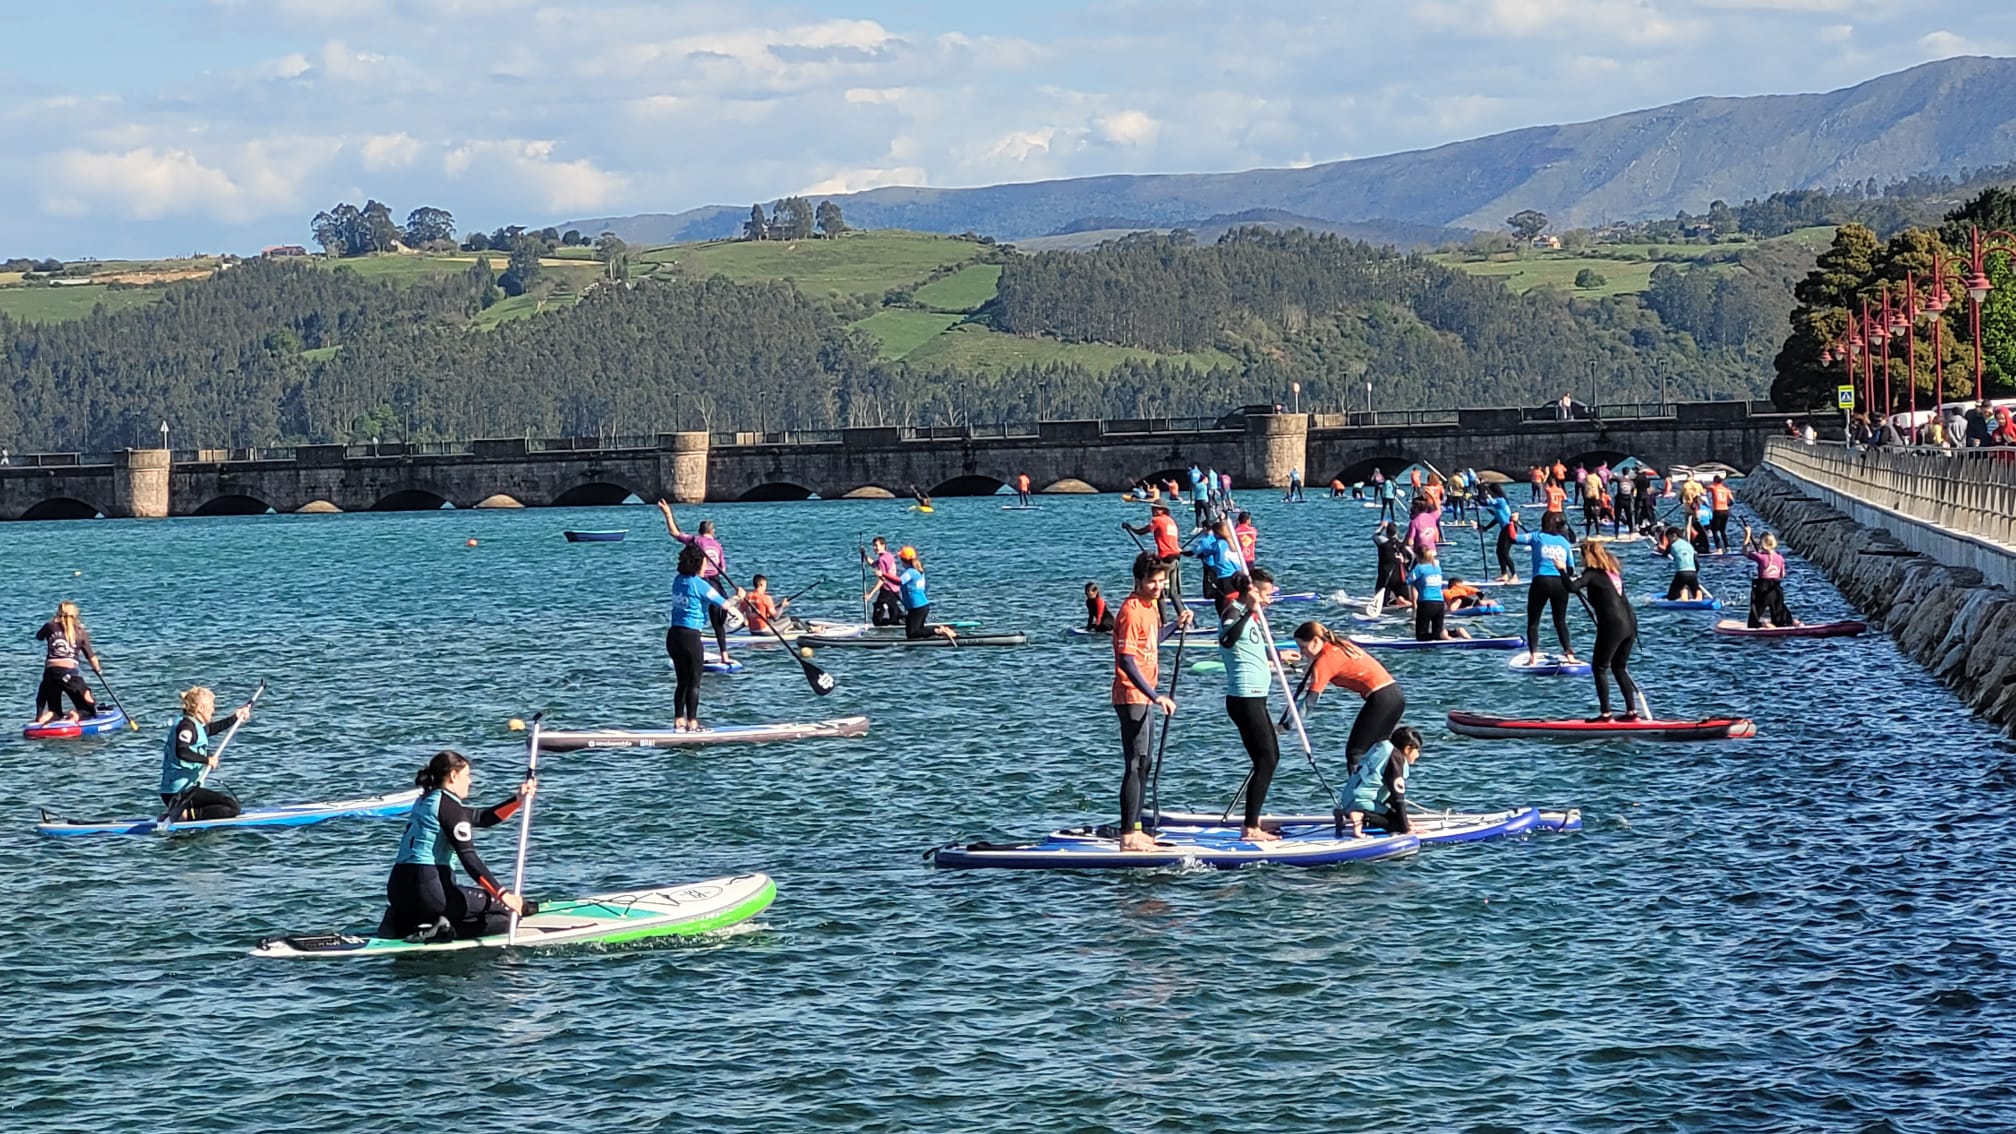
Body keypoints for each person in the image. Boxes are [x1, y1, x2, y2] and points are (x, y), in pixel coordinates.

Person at [377, 750, 537, 943]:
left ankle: (400, 921)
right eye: (467, 776)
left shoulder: (426, 802)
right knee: (509, 917)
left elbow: (482, 818)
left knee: (466, 904)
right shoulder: (449, 807)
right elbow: (469, 858)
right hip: (430, 894)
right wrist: (504, 896)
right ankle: (443, 932)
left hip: (398, 893)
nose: (470, 781)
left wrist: (517, 801)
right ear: (453, 776)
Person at [1111, 554, 1194, 851]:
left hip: (1145, 696)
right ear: (1138, 580)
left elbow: (1152, 641)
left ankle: (1136, 828)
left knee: (1144, 764)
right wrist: (1155, 696)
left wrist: (1176, 624)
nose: (1158, 587)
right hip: (1132, 696)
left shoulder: (1151, 608)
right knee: (1134, 764)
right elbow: (1127, 661)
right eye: (1152, 581)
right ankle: (1127, 835)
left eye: (1162, 582)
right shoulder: (1131, 611)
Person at [1219, 567, 1282, 844]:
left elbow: (1248, 652)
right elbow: (1227, 640)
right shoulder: (1234, 612)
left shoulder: (1253, 618)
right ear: (1252, 591)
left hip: (1257, 696)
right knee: (1266, 759)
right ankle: (1250, 827)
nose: (1269, 600)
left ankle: (1252, 821)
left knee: (1270, 758)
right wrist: (1250, 610)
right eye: (1266, 594)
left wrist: (1276, 659)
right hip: (1244, 698)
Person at [1290, 621, 1403, 773]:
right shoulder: (1340, 645)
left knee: (1355, 753)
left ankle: (1356, 794)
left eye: (1303, 647)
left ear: (1316, 641)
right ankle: (1389, 791)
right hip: (1395, 696)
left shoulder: (1326, 660)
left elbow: (1309, 703)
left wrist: (1285, 726)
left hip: (1381, 699)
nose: (1302, 652)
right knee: (1379, 749)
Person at [669, 543, 744, 731]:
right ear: (696, 564)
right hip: (690, 637)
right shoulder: (699, 584)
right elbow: (725, 605)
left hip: (673, 636)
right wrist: (739, 597)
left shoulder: (678, 580)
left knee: (682, 682)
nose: (705, 567)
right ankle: (693, 723)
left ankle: (679, 720)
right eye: (703, 563)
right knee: (694, 682)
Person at [1567, 540, 1641, 721]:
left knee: (1599, 667)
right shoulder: (1612, 574)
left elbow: (1571, 587)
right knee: (1619, 667)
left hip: (1613, 626)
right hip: (1630, 625)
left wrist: (1561, 570)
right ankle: (1632, 712)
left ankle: (1606, 714)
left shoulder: (1592, 574)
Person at [659, 500, 736, 666]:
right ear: (712, 532)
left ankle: (694, 641)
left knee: (694, 612)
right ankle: (724, 655)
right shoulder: (717, 545)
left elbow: (674, 532)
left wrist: (667, 513)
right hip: (714, 582)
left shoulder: (694, 540)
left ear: (700, 531)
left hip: (698, 581)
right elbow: (722, 568)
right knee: (718, 623)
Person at [160, 686, 251, 822]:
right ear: (201, 709)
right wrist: (207, 760)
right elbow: (182, 751)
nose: (213, 710)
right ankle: (184, 815)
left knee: (228, 805)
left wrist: (235, 718)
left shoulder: (193, 724)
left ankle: (182, 813)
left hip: (180, 792)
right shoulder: (186, 726)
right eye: (211, 707)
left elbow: (210, 729)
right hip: (180, 793)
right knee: (232, 808)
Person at [1513, 511, 1578, 662]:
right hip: (1560, 584)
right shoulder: (1564, 542)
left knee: (1534, 621)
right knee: (1560, 621)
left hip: (1541, 581)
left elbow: (1513, 537)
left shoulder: (1537, 537)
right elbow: (1570, 570)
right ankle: (1570, 655)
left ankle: (1533, 656)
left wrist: (1512, 522)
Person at [1343, 726, 1422, 838]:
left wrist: (1403, 819)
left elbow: (1390, 798)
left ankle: (1348, 813)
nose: (1418, 755)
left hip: (1350, 799)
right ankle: (1360, 814)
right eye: (1417, 750)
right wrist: (1406, 829)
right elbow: (1398, 799)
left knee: (1396, 819)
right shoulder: (1396, 759)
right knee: (1397, 825)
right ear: (1407, 748)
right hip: (1363, 803)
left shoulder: (1384, 749)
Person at [32, 601, 100, 725]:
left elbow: (39, 637)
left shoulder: (49, 626)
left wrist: (53, 624)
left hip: (50, 674)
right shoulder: (80, 632)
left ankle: (48, 715)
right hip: (70, 676)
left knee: (55, 709)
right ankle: (77, 714)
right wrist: (98, 669)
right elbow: (91, 656)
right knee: (88, 709)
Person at [1406, 545, 1471, 642]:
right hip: (1440, 603)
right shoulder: (1437, 568)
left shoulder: (1419, 568)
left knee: (1421, 636)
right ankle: (1455, 632)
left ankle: (1444, 634)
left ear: (1418, 556)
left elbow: (1406, 581)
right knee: (1437, 633)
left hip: (1426, 603)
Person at [1741, 525, 1800, 628]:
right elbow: (1782, 574)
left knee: (1754, 618)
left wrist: (1747, 535)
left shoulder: (1760, 557)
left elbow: (1744, 552)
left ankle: (1764, 624)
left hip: (1762, 587)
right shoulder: (1780, 557)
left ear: (1762, 544)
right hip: (1776, 588)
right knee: (1779, 615)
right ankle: (1791, 623)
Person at [1124, 502, 1185, 598]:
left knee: (1160, 593)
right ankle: (1179, 609)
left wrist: (1130, 528)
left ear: (1163, 510)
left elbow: (1141, 532)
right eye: (1153, 508)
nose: (1153, 511)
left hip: (1166, 558)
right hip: (1176, 556)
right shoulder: (1171, 521)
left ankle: (1160, 611)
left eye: (1156, 509)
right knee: (1172, 592)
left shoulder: (1157, 520)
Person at [894, 546, 954, 640]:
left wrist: (883, 574)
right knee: (913, 633)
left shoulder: (911, 572)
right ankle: (939, 631)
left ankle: (939, 631)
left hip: (917, 607)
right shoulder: (917, 570)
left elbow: (899, 581)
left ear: (903, 560)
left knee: (913, 633)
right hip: (919, 606)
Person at [1654, 524, 1707, 601]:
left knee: (1671, 597)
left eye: (1668, 537)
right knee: (1695, 590)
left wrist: (1659, 546)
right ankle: (1698, 597)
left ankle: (1683, 595)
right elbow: (1696, 563)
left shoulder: (1672, 545)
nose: (1668, 540)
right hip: (1693, 572)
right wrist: (1695, 573)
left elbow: (1664, 554)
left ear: (1673, 535)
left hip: (1681, 573)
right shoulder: (1689, 546)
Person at [1479, 482, 1519, 583]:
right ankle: (1504, 574)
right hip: (1504, 529)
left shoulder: (1500, 501)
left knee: (1504, 553)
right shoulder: (1497, 505)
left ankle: (1514, 575)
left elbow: (1484, 502)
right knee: (1499, 552)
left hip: (1509, 528)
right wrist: (1486, 528)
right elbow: (1497, 519)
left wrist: (1481, 489)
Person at [862, 536, 903, 626]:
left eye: (876, 546)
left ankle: (900, 623)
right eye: (873, 546)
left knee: (877, 620)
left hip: (887, 591)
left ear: (883, 545)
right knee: (895, 614)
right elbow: (873, 564)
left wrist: (870, 594)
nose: (874, 548)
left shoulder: (882, 559)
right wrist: (864, 555)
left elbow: (882, 580)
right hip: (895, 589)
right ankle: (903, 621)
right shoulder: (888, 555)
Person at [1707, 475, 1735, 553]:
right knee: (1722, 531)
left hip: (1717, 510)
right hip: (1725, 511)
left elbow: (1705, 490)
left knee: (1714, 530)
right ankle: (1727, 547)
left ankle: (1718, 548)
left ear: (1714, 481)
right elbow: (1732, 501)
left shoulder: (1713, 487)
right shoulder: (1726, 490)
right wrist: (1726, 505)